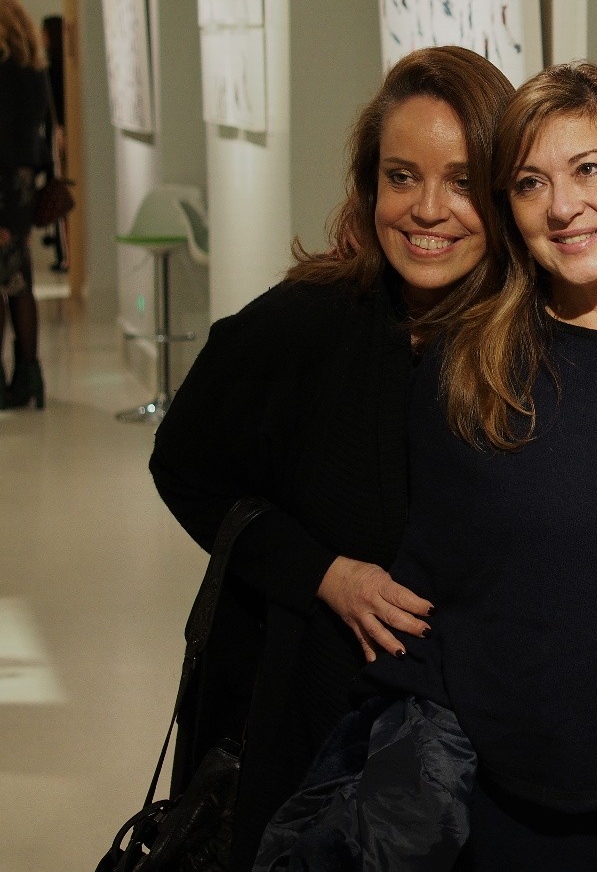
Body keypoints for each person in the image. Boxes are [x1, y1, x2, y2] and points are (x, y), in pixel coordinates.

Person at [364, 62, 597, 870]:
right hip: (506, 804)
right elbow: (434, 583)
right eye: (530, 183)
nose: (563, 206)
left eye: (589, 169)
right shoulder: (467, 366)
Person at [150, 46, 516, 870]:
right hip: (309, 739)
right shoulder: (303, 325)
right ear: (369, 184)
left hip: (480, 766)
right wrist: (322, 572)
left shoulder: (529, 343)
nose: (428, 209)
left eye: (462, 181)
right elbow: (184, 464)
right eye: (401, 177)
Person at [0, 0, 54, 410]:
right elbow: (44, 133)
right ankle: (29, 374)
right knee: (19, 282)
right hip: (21, 185)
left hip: (1, 185)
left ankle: (8, 379)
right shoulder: (34, 70)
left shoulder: (2, 73)